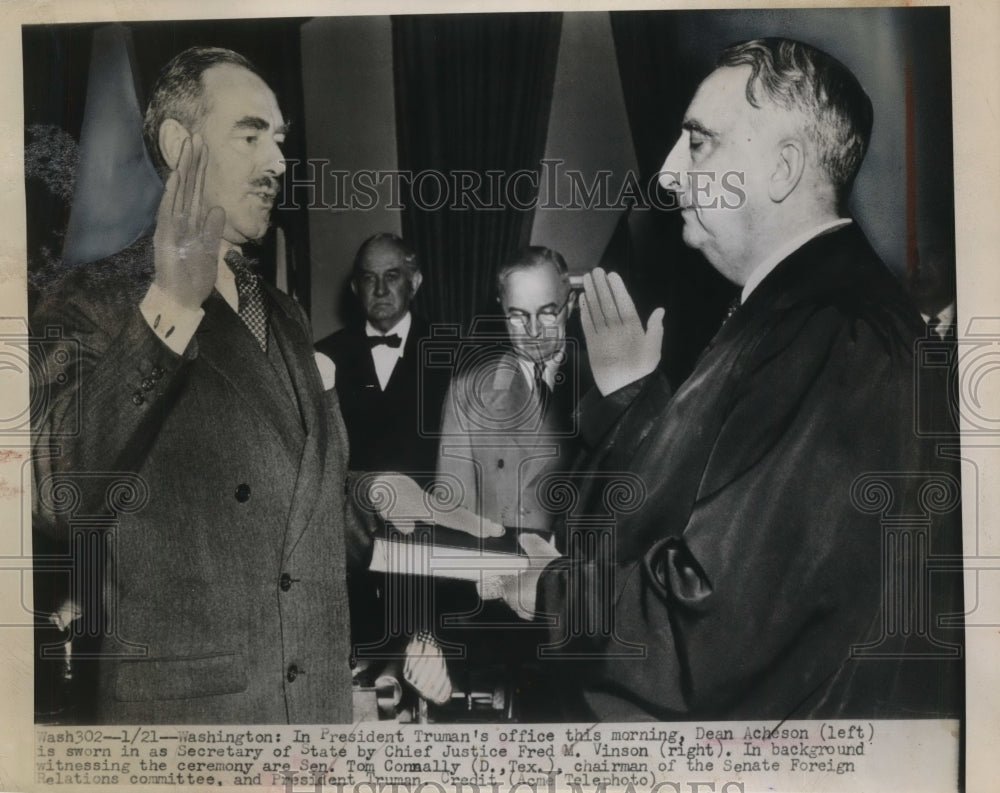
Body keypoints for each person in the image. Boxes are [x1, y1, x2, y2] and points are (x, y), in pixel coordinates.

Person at [499, 38, 963, 721]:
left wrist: (552, 590)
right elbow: (697, 529)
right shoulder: (798, 313)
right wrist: (632, 395)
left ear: (782, 167)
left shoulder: (836, 330)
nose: (665, 174)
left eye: (698, 143)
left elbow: (712, 626)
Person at [30, 46, 370, 724]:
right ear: (180, 145)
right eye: (251, 135)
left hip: (312, 718)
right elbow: (52, 492)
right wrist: (171, 310)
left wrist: (376, 498)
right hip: (194, 729)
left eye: (280, 141)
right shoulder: (87, 301)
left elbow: (323, 534)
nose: (278, 163)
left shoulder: (285, 315)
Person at [314, 233, 452, 708]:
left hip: (434, 563)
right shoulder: (322, 357)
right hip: (354, 563)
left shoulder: (451, 353)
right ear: (355, 289)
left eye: (391, 276)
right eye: (368, 279)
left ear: (414, 281)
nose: (379, 289)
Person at [437, 246, 582, 535]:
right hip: (497, 572)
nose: (533, 331)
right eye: (517, 316)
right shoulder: (466, 393)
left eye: (547, 314)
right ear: (501, 309)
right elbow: (454, 516)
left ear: (570, 304)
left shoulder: (608, 388)